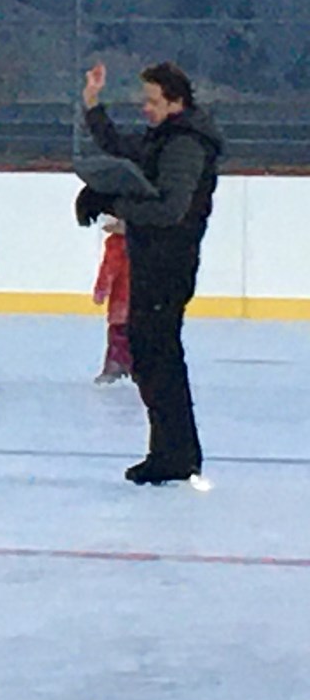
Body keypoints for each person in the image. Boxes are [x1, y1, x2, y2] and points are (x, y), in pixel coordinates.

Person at [78, 61, 224, 485]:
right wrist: (92, 104)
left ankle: (175, 455)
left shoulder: (185, 145)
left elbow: (171, 209)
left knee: (157, 357)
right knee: (151, 355)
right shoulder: (166, 136)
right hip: (155, 260)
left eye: (152, 101)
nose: (145, 108)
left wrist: (115, 205)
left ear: (176, 102)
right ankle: (172, 452)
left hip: (169, 264)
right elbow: (122, 148)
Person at [92, 216, 132, 386]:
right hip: (144, 297)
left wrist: (101, 290)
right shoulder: (148, 242)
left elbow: (110, 268)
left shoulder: (116, 243)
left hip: (122, 298)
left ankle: (116, 366)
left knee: (119, 332)